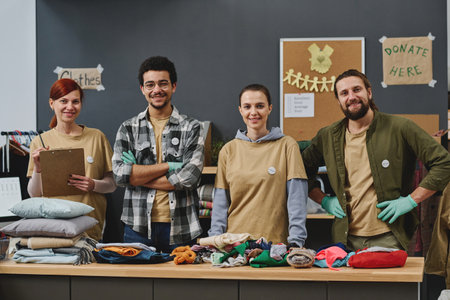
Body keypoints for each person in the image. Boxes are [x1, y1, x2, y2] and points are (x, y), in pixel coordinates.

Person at [302, 69, 450, 251]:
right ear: (339, 100)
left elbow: (444, 163)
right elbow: (300, 170)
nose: (351, 97)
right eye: (344, 93)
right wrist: (323, 200)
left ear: (369, 92)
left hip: (390, 236)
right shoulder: (328, 136)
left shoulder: (400, 127)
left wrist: (411, 200)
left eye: (357, 89)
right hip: (345, 239)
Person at [112, 56, 204, 253]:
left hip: (182, 226)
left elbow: (188, 178)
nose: (157, 90)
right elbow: (120, 176)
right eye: (150, 85)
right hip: (137, 227)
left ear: (174, 86)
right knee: (137, 285)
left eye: (163, 83)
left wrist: (136, 176)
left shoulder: (191, 127)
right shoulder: (128, 128)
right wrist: (168, 166)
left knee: (182, 285)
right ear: (142, 89)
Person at [208, 83, 308, 248]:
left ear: (269, 108)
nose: (253, 112)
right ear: (240, 110)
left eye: (260, 106)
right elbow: (220, 205)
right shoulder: (228, 150)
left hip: (274, 247)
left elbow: (297, 200)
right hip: (234, 246)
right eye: (247, 107)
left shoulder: (287, 146)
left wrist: (296, 242)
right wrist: (215, 242)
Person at [27, 78, 117, 241]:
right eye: (64, 101)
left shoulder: (97, 137)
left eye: (75, 101)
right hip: (54, 228)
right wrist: (38, 169)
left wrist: (93, 184)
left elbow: (112, 184)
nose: (70, 107)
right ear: (51, 103)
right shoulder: (39, 141)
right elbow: (34, 194)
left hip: (91, 228)